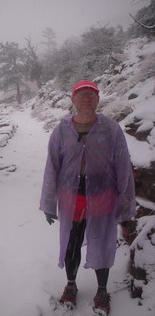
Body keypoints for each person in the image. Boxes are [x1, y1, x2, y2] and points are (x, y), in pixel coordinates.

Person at [39, 80, 136, 314]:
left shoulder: (111, 129)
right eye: (82, 94)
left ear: (98, 99)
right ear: (72, 99)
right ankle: (71, 285)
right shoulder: (61, 130)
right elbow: (52, 166)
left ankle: (102, 291)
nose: (87, 98)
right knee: (71, 244)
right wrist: (49, 203)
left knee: (102, 244)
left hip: (103, 198)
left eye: (92, 94)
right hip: (72, 199)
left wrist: (125, 203)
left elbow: (123, 166)